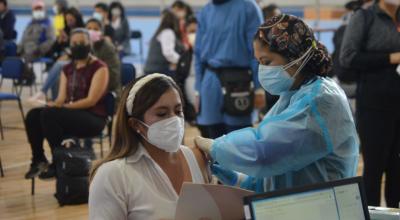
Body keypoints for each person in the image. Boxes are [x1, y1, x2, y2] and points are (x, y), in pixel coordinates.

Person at [195, 14, 359, 193]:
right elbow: (276, 173)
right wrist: (238, 179)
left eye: (267, 62)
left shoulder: (322, 101)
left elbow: (266, 152)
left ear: (295, 56)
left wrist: (215, 147)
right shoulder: (291, 96)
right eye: (258, 62)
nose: (262, 70)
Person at [89, 74, 210, 219]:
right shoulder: (113, 176)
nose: (174, 120)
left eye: (178, 111)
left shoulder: (197, 158)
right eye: (162, 113)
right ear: (136, 125)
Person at [24, 28, 109, 180]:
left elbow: (91, 101)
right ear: (70, 45)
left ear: (89, 44)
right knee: (33, 115)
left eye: (82, 42)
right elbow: (61, 99)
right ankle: (38, 159)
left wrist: (61, 108)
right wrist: (51, 104)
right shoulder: (67, 68)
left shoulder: (100, 67)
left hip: (94, 117)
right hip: (71, 115)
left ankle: (58, 162)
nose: (78, 46)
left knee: (50, 115)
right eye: (75, 43)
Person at [340, 0, 400, 208]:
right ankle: (371, 213)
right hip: (374, 105)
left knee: (397, 170)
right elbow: (347, 57)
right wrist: (390, 58)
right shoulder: (364, 17)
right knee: (374, 168)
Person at [194, 0, 263, 139]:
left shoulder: (248, 8)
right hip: (210, 82)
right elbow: (198, 53)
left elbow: (258, 52)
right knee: (212, 140)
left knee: (239, 140)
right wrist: (198, 90)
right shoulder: (206, 11)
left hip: (239, 82)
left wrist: (259, 88)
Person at [28, 7, 84, 102]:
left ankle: (42, 92)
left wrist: (68, 46)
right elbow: (53, 50)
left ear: (77, 18)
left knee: (58, 65)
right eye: (67, 20)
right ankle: (55, 101)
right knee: (56, 76)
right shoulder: (65, 30)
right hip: (63, 59)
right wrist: (59, 41)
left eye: (71, 20)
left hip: (76, 59)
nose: (69, 22)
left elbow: (80, 50)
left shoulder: (82, 31)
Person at [17, 0, 55, 85]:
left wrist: (40, 49)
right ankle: (24, 75)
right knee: (18, 58)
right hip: (26, 49)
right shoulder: (30, 24)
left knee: (26, 57)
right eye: (36, 9)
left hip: (39, 50)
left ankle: (29, 77)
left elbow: (51, 40)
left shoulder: (48, 24)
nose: (38, 11)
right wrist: (19, 49)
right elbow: (23, 38)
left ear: (44, 10)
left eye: (40, 9)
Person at [144, 10, 183, 77]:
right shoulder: (167, 32)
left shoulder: (160, 32)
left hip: (151, 69)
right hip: (159, 70)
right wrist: (181, 60)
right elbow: (168, 53)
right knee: (180, 76)